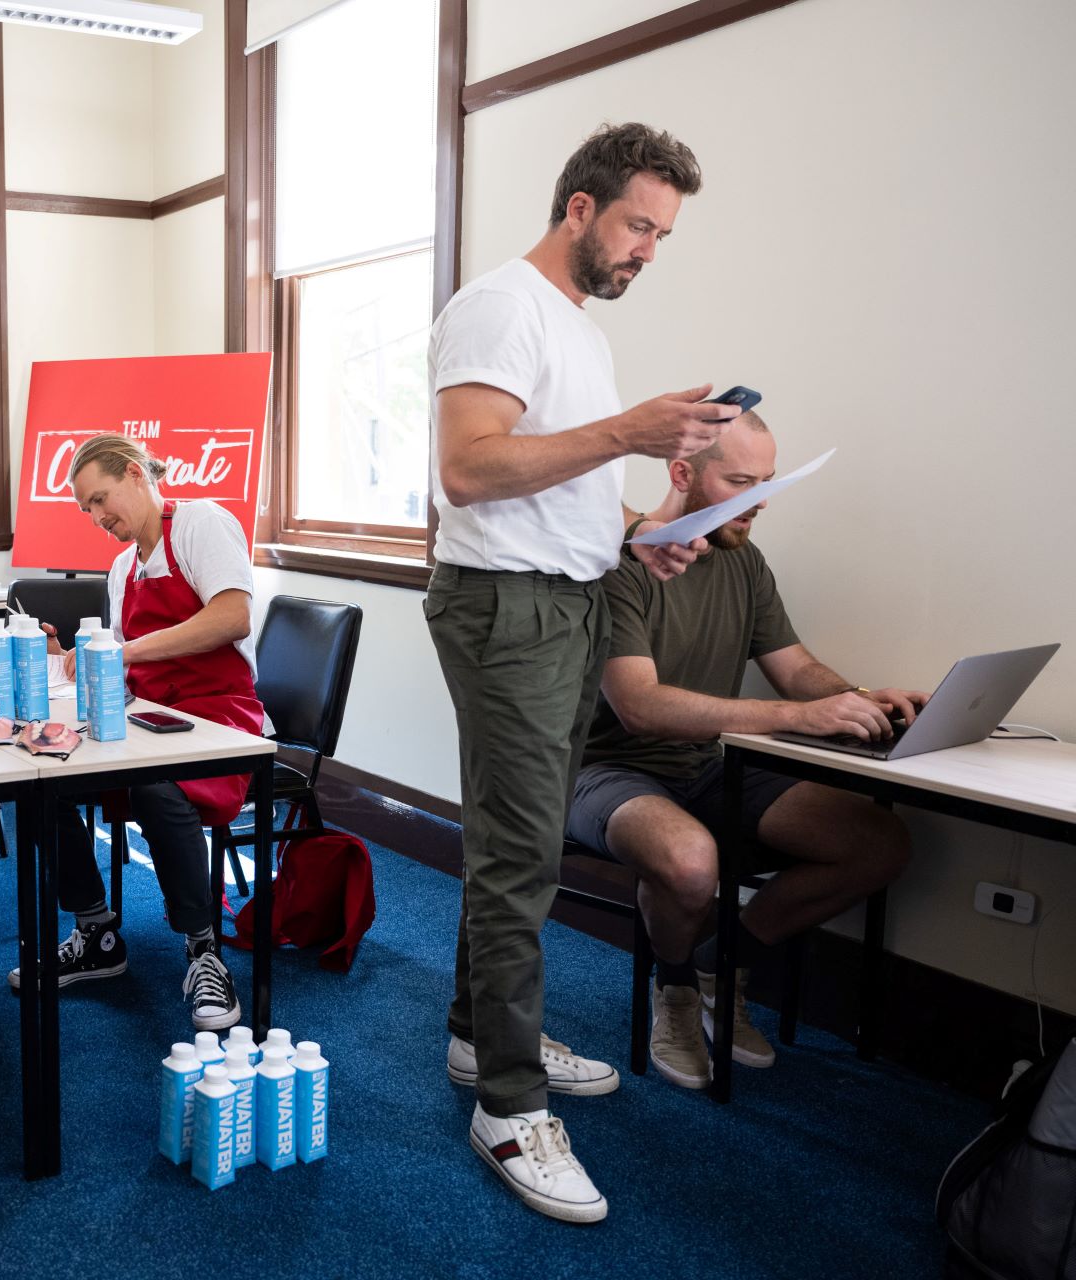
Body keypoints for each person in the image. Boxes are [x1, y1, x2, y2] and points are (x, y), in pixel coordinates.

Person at [426, 122, 743, 1224]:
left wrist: (630, 535)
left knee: (524, 845)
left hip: (564, 596)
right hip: (506, 610)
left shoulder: (574, 329)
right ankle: (508, 1107)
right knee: (517, 856)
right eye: (638, 224)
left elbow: (548, 482)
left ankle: (479, 1036)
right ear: (579, 208)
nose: (648, 248)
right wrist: (625, 433)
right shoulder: (500, 306)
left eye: (663, 232)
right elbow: (469, 470)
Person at [568, 411, 916, 1089]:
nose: (761, 500)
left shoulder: (744, 562)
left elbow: (796, 669)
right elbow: (639, 707)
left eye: (769, 482)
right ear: (682, 474)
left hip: (706, 767)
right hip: (601, 772)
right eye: (741, 480)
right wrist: (798, 716)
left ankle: (720, 965)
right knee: (691, 862)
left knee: (880, 844)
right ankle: (674, 994)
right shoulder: (619, 564)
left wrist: (859, 700)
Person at [5, 434, 264, 1032]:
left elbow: (232, 616)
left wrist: (123, 651)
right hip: (151, 713)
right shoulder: (124, 568)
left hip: (220, 715)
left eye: (101, 499)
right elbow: (131, 668)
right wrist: (82, 672)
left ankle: (204, 950)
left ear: (134, 472)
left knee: (158, 789)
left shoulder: (202, 522)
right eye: (86, 510)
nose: (98, 518)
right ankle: (96, 932)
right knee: (48, 779)